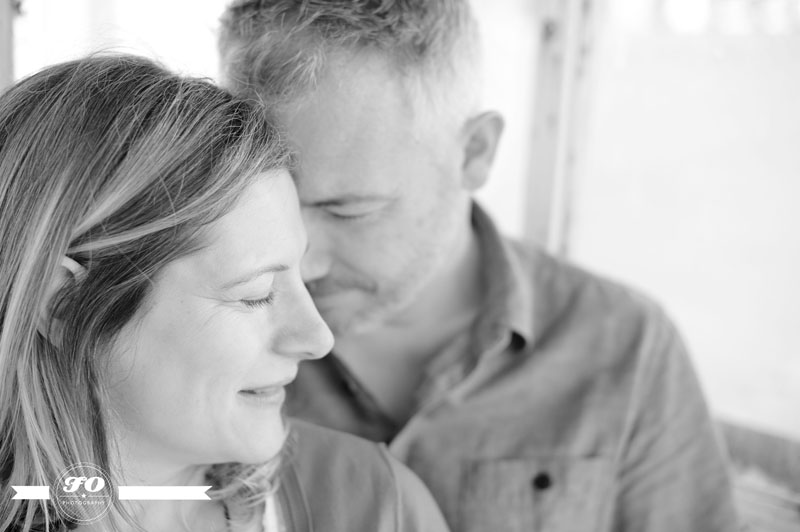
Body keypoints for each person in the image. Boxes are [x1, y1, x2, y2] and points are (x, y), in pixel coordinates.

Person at [218, 1, 742, 531]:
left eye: (347, 210)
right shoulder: (197, 338)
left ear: (475, 152)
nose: (302, 265)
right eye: (271, 205)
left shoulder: (627, 346)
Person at [0, 55, 451, 532]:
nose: (318, 338)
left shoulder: (377, 505)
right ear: (64, 306)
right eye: (256, 294)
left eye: (300, 275)